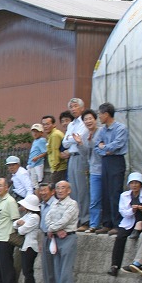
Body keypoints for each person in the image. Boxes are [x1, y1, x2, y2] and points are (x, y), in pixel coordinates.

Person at [107, 173, 142, 276]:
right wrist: (132, 210)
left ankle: (138, 229)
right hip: (128, 222)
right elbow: (123, 212)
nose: (134, 185)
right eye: (132, 183)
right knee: (120, 237)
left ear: (140, 184)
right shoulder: (124, 195)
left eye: (137, 183)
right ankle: (115, 266)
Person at [95, 102, 128, 231]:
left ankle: (117, 224)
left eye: (100, 114)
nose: (99, 117)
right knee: (105, 192)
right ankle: (106, 223)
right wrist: (105, 149)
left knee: (115, 192)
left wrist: (105, 147)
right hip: (105, 161)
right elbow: (97, 147)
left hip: (117, 161)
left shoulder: (121, 128)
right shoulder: (102, 130)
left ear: (106, 114)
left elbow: (118, 144)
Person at [45, 181, 80, 283]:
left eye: (63, 188)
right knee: (56, 269)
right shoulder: (54, 203)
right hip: (56, 238)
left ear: (69, 190)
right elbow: (47, 218)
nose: (60, 190)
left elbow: (65, 220)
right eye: (58, 188)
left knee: (65, 270)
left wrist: (53, 228)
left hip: (68, 238)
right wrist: (54, 229)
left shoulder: (72, 204)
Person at [61, 98, 90, 230]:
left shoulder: (85, 122)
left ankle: (85, 219)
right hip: (71, 157)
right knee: (73, 190)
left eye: (75, 106)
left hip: (80, 156)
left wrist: (70, 139)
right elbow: (64, 142)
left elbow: (80, 137)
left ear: (82, 108)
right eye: (71, 107)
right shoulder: (72, 124)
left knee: (82, 189)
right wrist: (72, 138)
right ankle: (76, 219)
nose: (73, 109)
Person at [75, 109, 103, 233]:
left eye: (90, 118)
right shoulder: (85, 134)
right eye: (85, 119)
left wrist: (91, 142)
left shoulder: (102, 131)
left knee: (107, 197)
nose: (88, 121)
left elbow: (101, 149)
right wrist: (80, 144)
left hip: (105, 168)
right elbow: (86, 154)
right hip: (94, 169)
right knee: (94, 198)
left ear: (95, 119)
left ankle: (107, 223)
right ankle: (94, 224)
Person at [15, 194, 41, 283]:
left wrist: (20, 224)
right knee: (26, 272)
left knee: (28, 272)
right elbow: (15, 224)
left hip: (30, 246)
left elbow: (22, 230)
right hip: (25, 246)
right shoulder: (28, 215)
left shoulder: (34, 217)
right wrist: (20, 223)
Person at [42, 115, 67, 184]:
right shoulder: (51, 135)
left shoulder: (54, 135)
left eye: (47, 124)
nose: (45, 126)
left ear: (54, 125)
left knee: (55, 190)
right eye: (43, 124)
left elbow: (55, 153)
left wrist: (54, 169)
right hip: (58, 168)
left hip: (59, 168)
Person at [27, 123, 47, 189]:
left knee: (37, 183)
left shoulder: (42, 140)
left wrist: (37, 157)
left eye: (37, 131)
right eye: (33, 131)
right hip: (32, 164)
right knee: (33, 183)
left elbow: (45, 152)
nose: (35, 133)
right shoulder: (35, 141)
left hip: (37, 164)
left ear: (41, 133)